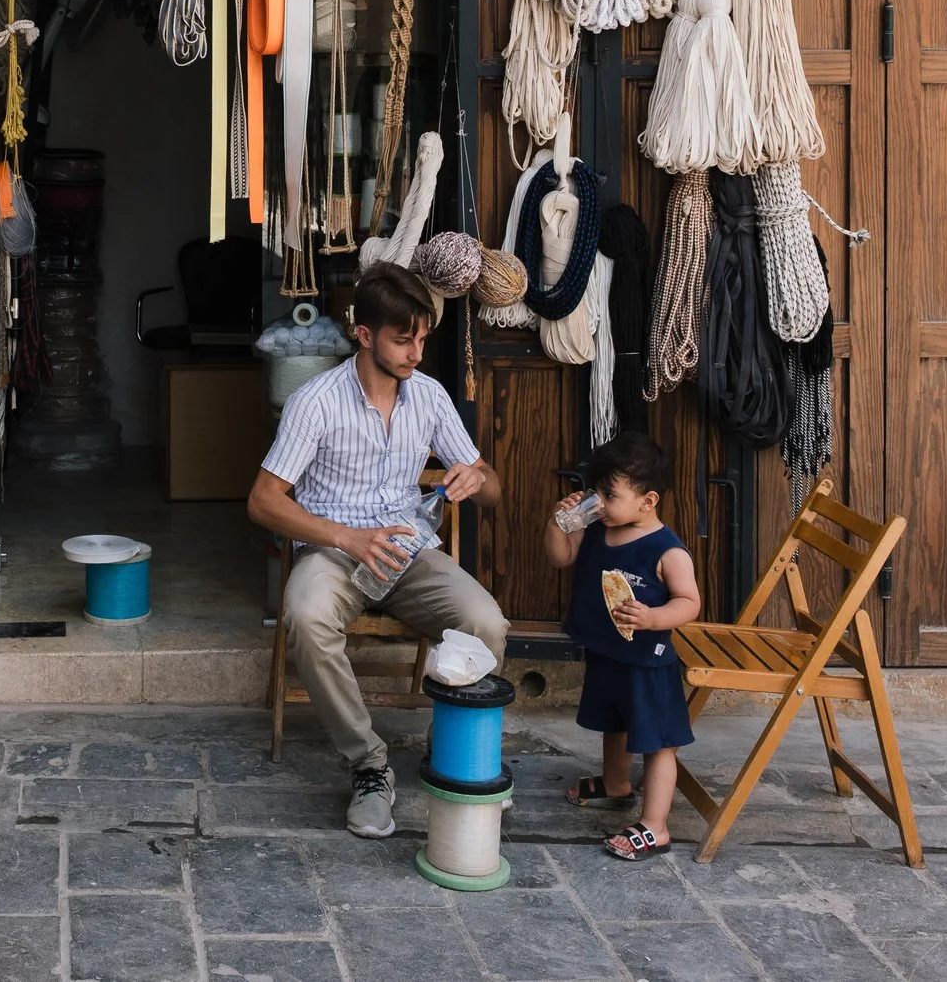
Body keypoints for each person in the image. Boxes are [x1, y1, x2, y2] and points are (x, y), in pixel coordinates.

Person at [246, 263, 508, 838]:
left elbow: (492, 485)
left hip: (410, 550)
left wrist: (474, 478)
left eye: (422, 338)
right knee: (308, 617)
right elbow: (263, 502)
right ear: (364, 335)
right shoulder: (314, 401)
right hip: (335, 552)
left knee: (487, 622)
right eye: (403, 339)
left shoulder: (430, 397)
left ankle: (450, 751)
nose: (416, 352)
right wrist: (346, 538)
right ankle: (369, 766)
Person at [545, 431, 701, 860]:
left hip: (646, 664)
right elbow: (560, 557)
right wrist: (559, 524)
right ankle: (616, 785)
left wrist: (653, 618)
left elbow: (689, 603)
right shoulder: (598, 527)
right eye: (595, 491)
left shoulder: (667, 551)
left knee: (656, 743)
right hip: (607, 653)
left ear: (647, 502)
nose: (597, 502)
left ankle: (656, 826)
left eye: (608, 494)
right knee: (613, 725)